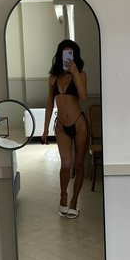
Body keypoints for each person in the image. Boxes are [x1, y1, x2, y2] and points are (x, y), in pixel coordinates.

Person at [42, 39, 88, 219]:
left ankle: (74, 201)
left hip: (79, 124)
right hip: (61, 125)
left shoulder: (81, 74)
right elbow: (49, 104)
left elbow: (83, 97)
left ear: (75, 56)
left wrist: (75, 73)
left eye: (71, 53)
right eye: (64, 53)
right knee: (66, 164)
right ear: (60, 55)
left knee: (79, 164)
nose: (67, 56)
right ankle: (63, 195)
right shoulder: (52, 78)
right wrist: (45, 129)